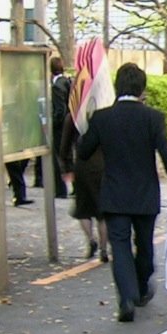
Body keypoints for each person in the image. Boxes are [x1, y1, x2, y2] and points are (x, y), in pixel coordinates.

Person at [76, 63, 167, 322]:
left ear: (118, 86)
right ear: (142, 88)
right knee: (145, 247)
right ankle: (140, 287)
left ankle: (126, 298)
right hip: (145, 193)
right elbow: (166, 155)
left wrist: (84, 126)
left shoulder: (102, 118)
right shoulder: (153, 117)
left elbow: (83, 153)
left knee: (120, 247)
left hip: (114, 194)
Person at [59, 84, 108, 262]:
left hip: (82, 166)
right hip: (102, 166)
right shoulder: (103, 115)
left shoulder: (73, 117)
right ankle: (104, 249)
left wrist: (66, 168)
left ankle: (91, 240)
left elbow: (64, 148)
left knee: (83, 209)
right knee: (102, 211)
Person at [49, 56, 70, 198]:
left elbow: (60, 110)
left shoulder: (57, 86)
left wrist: (53, 123)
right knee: (68, 156)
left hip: (60, 128)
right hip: (69, 125)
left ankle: (60, 189)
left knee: (57, 158)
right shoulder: (68, 82)